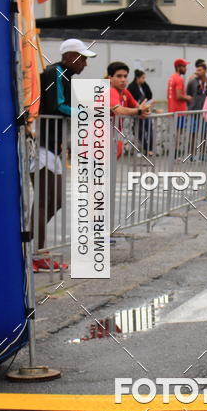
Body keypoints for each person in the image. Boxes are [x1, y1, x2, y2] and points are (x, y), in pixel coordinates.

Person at [31, 38, 96, 272]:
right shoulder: (56, 72)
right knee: (43, 200)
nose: (85, 64)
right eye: (83, 59)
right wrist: (88, 112)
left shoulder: (63, 74)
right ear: (69, 57)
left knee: (55, 201)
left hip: (52, 144)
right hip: (40, 144)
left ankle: (32, 244)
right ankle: (36, 252)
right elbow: (58, 106)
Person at [108, 62, 151, 158]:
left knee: (112, 162)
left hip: (114, 135)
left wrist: (145, 110)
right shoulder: (110, 91)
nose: (123, 80)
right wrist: (139, 111)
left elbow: (138, 107)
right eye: (119, 76)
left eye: (125, 76)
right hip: (99, 137)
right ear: (110, 78)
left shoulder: (125, 92)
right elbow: (118, 111)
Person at [186, 60, 207, 158]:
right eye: (197, 70)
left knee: (204, 134)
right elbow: (188, 94)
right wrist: (191, 105)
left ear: (205, 71)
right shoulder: (192, 82)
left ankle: (203, 153)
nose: (197, 72)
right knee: (192, 133)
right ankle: (191, 154)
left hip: (205, 112)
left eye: (200, 70)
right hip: (193, 112)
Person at [128, 69, 154, 155]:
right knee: (139, 131)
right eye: (143, 78)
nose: (144, 80)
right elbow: (130, 100)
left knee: (149, 129)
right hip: (137, 112)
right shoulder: (131, 87)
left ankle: (150, 149)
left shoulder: (144, 85)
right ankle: (146, 147)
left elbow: (149, 95)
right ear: (137, 78)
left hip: (146, 110)